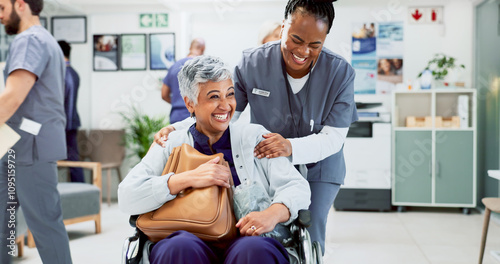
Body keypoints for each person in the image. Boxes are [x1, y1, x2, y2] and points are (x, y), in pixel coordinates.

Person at [154, 0, 357, 255]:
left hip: (320, 167)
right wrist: (178, 127)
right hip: (267, 163)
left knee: (310, 231)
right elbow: (227, 111)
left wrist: (290, 146)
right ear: (283, 27)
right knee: (261, 229)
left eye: (315, 44)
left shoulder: (340, 72)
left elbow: (334, 136)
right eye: (296, 39)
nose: (303, 51)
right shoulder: (253, 62)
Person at [119, 55, 310, 264]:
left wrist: (273, 213)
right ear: (189, 103)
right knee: (178, 247)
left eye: (229, 94)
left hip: (248, 239)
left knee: (252, 249)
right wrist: (185, 179)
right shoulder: (170, 144)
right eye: (213, 97)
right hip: (190, 240)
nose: (226, 105)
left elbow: (296, 186)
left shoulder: (254, 138)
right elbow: (127, 195)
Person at [0, 0, 73, 263]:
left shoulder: (29, 40)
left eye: (1, 7)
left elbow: (12, 98)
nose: (0, 15)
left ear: (20, 4)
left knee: (44, 223)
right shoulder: (43, 40)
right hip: (17, 147)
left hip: (29, 148)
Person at [161, 38, 205, 124]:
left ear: (190, 48)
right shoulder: (202, 67)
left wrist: (177, 102)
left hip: (176, 117)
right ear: (202, 49)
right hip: (195, 117)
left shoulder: (174, 66)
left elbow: (164, 94)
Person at [58, 40, 84, 183]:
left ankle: (80, 191)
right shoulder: (73, 73)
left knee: (72, 160)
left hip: (65, 124)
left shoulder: (63, 74)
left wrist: (62, 125)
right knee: (73, 159)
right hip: (71, 122)